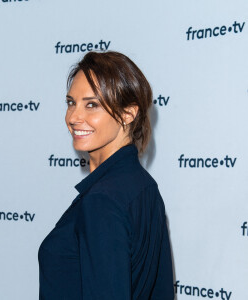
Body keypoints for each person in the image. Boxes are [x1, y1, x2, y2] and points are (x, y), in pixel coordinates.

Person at [38, 51, 174, 299]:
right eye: (71, 103)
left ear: (128, 113)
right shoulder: (144, 186)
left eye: (92, 105)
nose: (73, 117)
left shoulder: (102, 200)